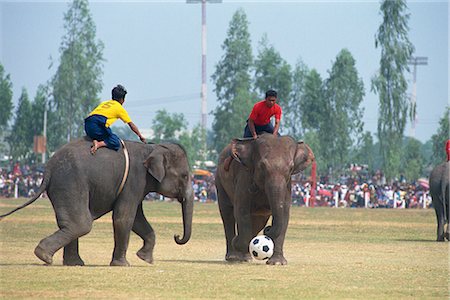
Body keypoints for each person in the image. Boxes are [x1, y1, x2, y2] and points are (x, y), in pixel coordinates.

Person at [223, 89, 282, 171]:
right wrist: (254, 134)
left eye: (273, 101)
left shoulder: (277, 108)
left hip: (266, 125)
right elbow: (251, 121)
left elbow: (277, 123)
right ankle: (230, 158)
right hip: (254, 125)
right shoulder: (258, 106)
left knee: (279, 139)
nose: (271, 102)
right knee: (243, 143)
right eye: (270, 100)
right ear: (266, 99)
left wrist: (274, 135)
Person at [84, 84, 146, 154]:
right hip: (97, 126)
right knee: (115, 141)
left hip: (87, 126)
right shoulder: (119, 108)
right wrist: (140, 136)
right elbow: (131, 125)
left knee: (105, 131)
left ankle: (95, 139)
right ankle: (99, 144)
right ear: (122, 99)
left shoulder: (104, 103)